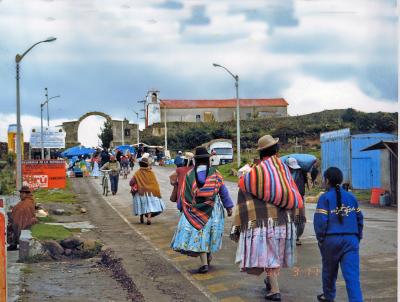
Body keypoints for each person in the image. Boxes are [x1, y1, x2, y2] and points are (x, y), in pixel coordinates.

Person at [230, 134, 303, 301]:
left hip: (264, 222)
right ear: (276, 150)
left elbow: (243, 185)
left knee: (269, 256)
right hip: (284, 221)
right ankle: (271, 282)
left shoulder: (256, 172)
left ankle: (275, 291)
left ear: (261, 153)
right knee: (273, 255)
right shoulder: (283, 168)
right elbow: (290, 193)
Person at [171, 146, 233, 274]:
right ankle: (207, 257)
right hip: (213, 209)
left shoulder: (189, 175)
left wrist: (180, 207)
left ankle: (204, 262)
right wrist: (229, 207)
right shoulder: (215, 174)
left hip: (194, 210)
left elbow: (184, 193)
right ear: (208, 160)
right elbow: (223, 192)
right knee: (209, 233)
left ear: (196, 160)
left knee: (200, 234)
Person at [314, 167, 364, 302]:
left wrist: (321, 239)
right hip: (351, 240)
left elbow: (320, 222)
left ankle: (329, 297)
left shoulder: (324, 198)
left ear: (327, 180)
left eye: (324, 179)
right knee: (352, 277)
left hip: (331, 240)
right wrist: (357, 237)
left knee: (329, 273)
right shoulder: (352, 198)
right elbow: (359, 218)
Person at [129, 154, 166, 225]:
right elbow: (155, 183)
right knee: (149, 205)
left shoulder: (137, 173)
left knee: (141, 204)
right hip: (151, 192)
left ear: (140, 165)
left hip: (141, 191)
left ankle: (141, 217)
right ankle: (149, 218)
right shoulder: (151, 172)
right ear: (147, 165)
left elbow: (131, 183)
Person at [285, 157, 308, 246]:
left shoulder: (301, 172)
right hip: (288, 199)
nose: (292, 169)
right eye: (291, 167)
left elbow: (313, 172)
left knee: (301, 219)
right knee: (288, 218)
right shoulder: (283, 174)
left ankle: (297, 236)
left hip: (300, 199)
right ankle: (289, 236)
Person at [7, 186, 38, 250]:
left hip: (22, 224)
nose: (20, 195)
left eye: (21, 194)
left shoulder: (26, 203)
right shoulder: (30, 202)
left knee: (13, 227)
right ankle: (17, 243)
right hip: (25, 224)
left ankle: (14, 243)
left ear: (25, 194)